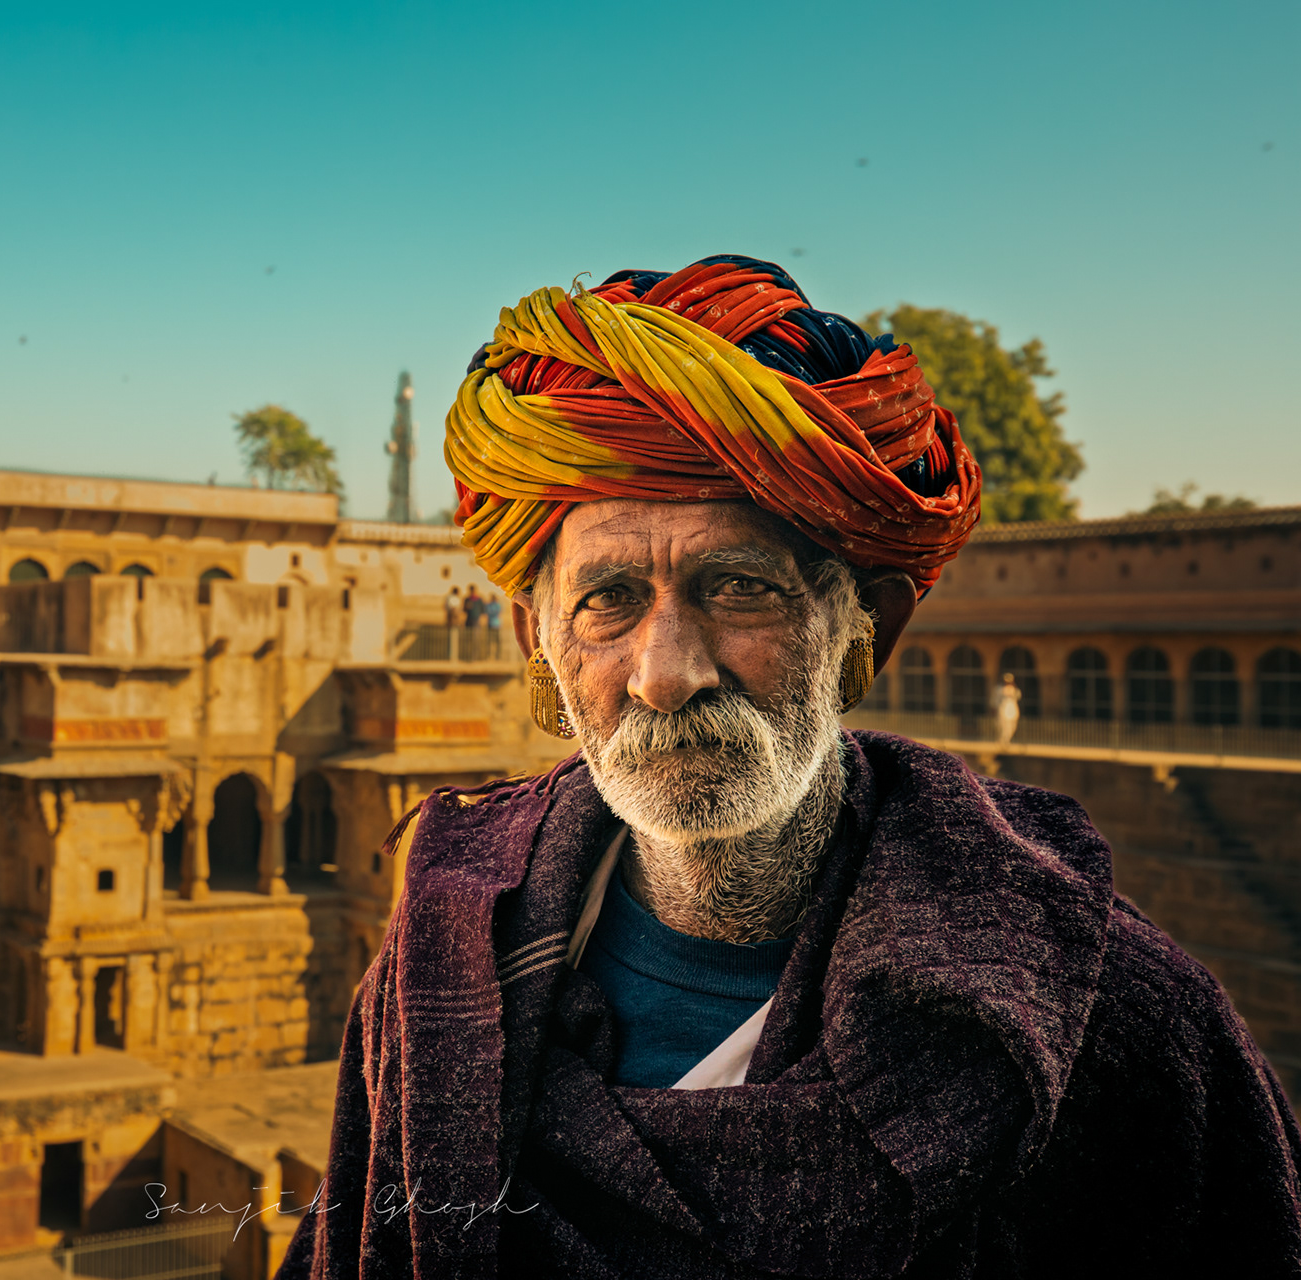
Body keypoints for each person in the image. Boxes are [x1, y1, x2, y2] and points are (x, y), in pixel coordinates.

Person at [281, 257, 1301, 1279]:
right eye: (609, 599)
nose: (665, 673)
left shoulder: (1106, 1028)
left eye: (738, 586)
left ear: (867, 631)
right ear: (537, 646)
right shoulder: (440, 974)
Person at [997, 670, 1023, 744]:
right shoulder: (1000, 689)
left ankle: (1007, 739)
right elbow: (997, 699)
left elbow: (1018, 696)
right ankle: (1003, 740)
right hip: (1004, 709)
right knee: (1003, 726)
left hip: (1012, 710)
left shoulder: (1015, 690)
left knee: (1012, 726)